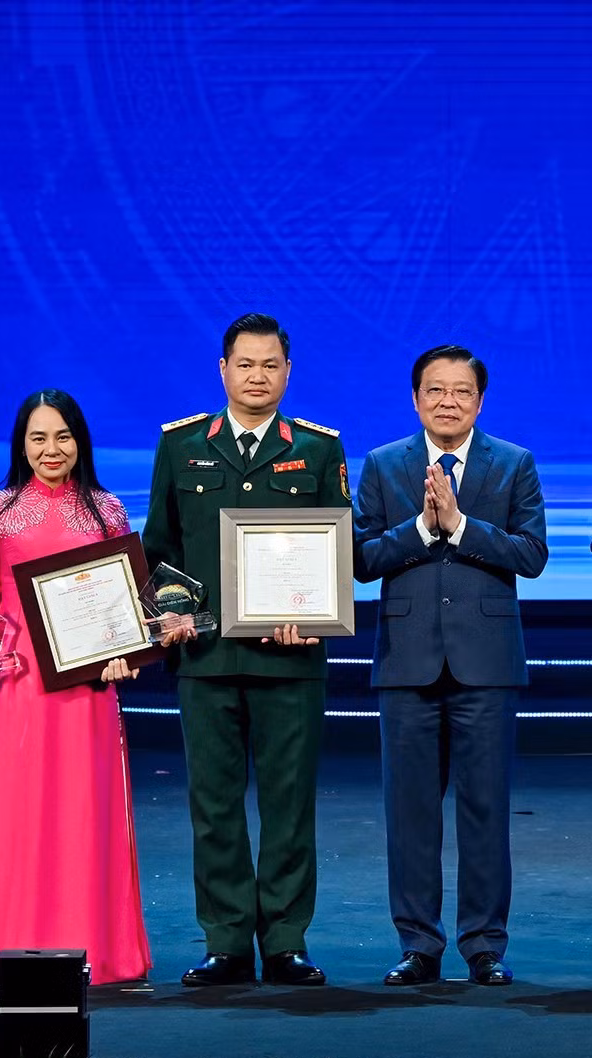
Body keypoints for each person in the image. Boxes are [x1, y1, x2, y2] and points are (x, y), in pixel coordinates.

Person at [143, 313, 348, 987]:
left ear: (288, 373)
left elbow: (337, 552)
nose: (257, 377)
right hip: (205, 660)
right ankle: (227, 941)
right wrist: (172, 617)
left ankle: (286, 941)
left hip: (290, 659)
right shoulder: (181, 447)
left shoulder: (319, 450)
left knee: (290, 805)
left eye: (270, 366)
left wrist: (312, 617)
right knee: (215, 805)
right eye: (245, 364)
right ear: (223, 369)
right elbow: (160, 550)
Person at [0, 389, 151, 985]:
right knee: (14, 807)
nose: (51, 449)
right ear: (21, 445)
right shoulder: (0, 509)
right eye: (38, 438)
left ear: (80, 441)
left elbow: (125, 599)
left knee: (83, 807)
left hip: (87, 684)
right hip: (18, 680)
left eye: (62, 436)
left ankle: (96, 949)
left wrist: (124, 653)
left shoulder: (107, 509)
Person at [353, 344, 548, 988]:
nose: (448, 402)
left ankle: (485, 945)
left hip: (485, 665)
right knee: (409, 813)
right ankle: (418, 945)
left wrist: (461, 526)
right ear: (416, 399)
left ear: (480, 401)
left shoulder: (513, 464)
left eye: (461, 392)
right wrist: (420, 528)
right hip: (407, 664)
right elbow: (360, 558)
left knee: (485, 811)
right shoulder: (384, 465)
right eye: (435, 391)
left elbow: (531, 554)